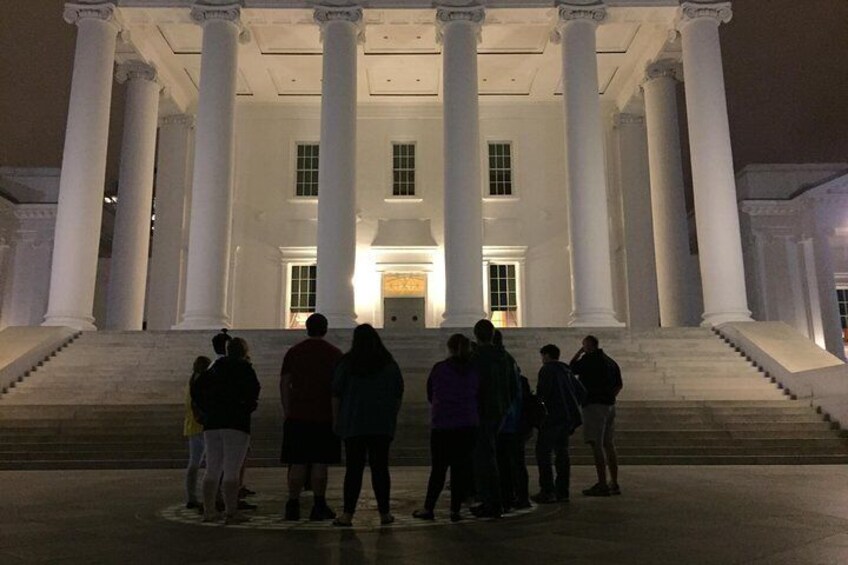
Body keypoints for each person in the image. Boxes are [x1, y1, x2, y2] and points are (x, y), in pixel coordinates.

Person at [331, 324, 404, 527]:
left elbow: (336, 394)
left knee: (353, 470)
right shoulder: (389, 363)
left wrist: (336, 420)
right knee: (380, 468)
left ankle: (347, 514)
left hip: (354, 424)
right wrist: (391, 416)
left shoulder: (347, 363)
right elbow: (398, 394)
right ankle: (384, 513)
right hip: (381, 425)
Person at [280, 313, 343, 522]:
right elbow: (338, 389)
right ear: (325, 329)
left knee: (297, 463)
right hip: (323, 416)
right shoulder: (334, 354)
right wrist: (336, 416)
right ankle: (318, 504)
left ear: (307, 328)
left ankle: (293, 504)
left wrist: (288, 409)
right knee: (319, 464)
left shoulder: (294, 352)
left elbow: (284, 383)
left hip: (297, 415)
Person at [192, 337, 261, 524]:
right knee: (232, 469)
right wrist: (245, 407)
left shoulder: (214, 368)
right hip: (236, 423)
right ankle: (231, 512)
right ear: (244, 351)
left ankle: (209, 512)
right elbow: (254, 391)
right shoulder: (245, 368)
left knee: (212, 468)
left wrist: (206, 410)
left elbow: (197, 388)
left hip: (213, 423)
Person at [413, 333, 479, 522]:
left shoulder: (440, 369)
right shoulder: (474, 370)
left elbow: (430, 394)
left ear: (449, 348)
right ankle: (455, 510)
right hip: (467, 424)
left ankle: (429, 507)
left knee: (439, 469)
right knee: (460, 469)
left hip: (443, 425)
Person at [470, 319, 518, 519]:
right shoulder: (505, 357)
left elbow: (470, 385)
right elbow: (514, 387)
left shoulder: (476, 357)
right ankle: (498, 499)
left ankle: (491, 503)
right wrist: (505, 407)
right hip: (499, 412)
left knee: (484, 459)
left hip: (480, 412)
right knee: (493, 456)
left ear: (476, 335)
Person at [532, 344, 586, 503]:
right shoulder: (566, 371)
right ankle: (563, 491)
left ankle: (547, 491)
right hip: (566, 418)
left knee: (543, 453)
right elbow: (582, 392)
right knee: (562, 454)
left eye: (542, 356)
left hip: (551, 418)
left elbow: (543, 393)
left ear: (547, 356)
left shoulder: (547, 370)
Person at [570, 335, 623, 497]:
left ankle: (602, 484)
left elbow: (571, 368)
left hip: (594, 405)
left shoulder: (588, 360)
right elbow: (619, 385)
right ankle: (613, 482)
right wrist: (610, 397)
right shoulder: (610, 361)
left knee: (596, 444)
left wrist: (579, 352)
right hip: (609, 405)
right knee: (609, 444)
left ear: (588, 346)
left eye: (584, 345)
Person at [493, 330, 531, 512]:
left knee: (504, 462)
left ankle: (505, 499)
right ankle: (518, 497)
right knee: (515, 462)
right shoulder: (510, 362)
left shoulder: (499, 363)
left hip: (505, 423)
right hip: (515, 422)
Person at [184, 355, 211, 512]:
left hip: (192, 426)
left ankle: (191, 497)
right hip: (204, 426)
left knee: (194, 463)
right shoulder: (203, 384)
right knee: (212, 464)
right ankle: (211, 496)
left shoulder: (190, 383)